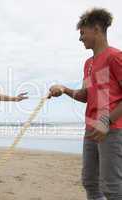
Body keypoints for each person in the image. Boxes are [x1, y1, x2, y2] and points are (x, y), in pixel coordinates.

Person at [49, 8, 122, 200]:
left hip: (112, 129)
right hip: (91, 129)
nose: (80, 39)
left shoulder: (115, 57)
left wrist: (106, 121)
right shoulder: (88, 63)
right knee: (90, 182)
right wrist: (64, 89)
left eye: (82, 33)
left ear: (96, 29)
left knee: (112, 187)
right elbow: (85, 95)